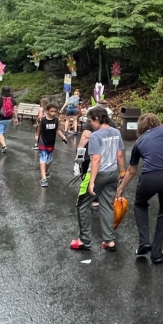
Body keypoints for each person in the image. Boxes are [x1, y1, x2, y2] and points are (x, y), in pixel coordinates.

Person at [115, 113, 163, 264]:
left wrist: (121, 187)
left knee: (140, 204)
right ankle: (157, 254)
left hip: (149, 178)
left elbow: (131, 170)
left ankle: (144, 242)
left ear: (141, 127)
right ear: (156, 122)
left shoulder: (139, 141)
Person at [70, 106, 125, 251]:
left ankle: (84, 240)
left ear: (96, 119)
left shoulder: (96, 135)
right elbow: (119, 155)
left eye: (91, 121)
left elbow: (96, 159)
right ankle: (109, 241)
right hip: (113, 173)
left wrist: (92, 181)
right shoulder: (116, 132)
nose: (91, 124)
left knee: (82, 205)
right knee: (107, 206)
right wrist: (122, 172)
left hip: (98, 174)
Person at [36, 103, 68, 187]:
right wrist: (36, 136)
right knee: (43, 158)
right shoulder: (42, 120)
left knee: (49, 160)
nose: (53, 113)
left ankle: (46, 172)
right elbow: (39, 128)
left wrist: (63, 137)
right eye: (51, 111)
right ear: (47, 111)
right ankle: (43, 178)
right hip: (42, 141)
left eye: (55, 111)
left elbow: (57, 130)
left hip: (51, 142)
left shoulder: (57, 120)